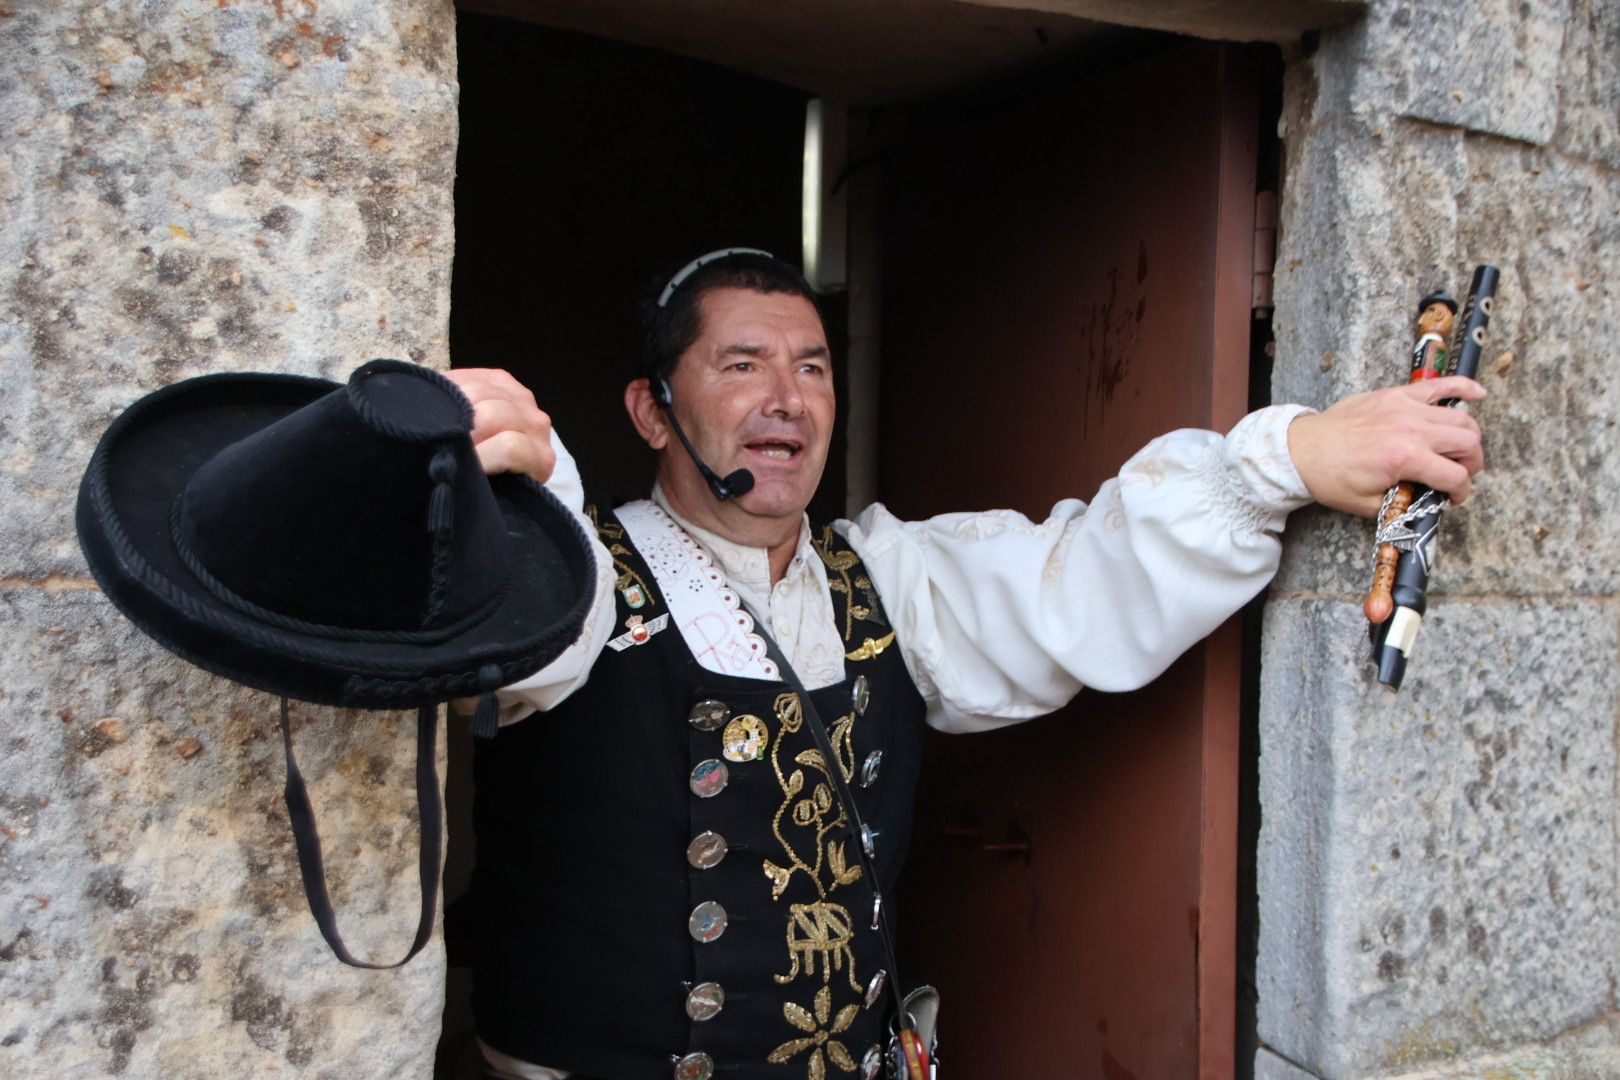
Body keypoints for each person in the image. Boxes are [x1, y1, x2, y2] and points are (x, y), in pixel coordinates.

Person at [446, 250, 1485, 1080]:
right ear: (649, 410)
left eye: (811, 366)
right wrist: (517, 482)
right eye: (741, 364)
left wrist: (1289, 462)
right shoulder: (578, 577)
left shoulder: (887, 580)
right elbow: (515, 629)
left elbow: (1084, 576)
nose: (788, 399)